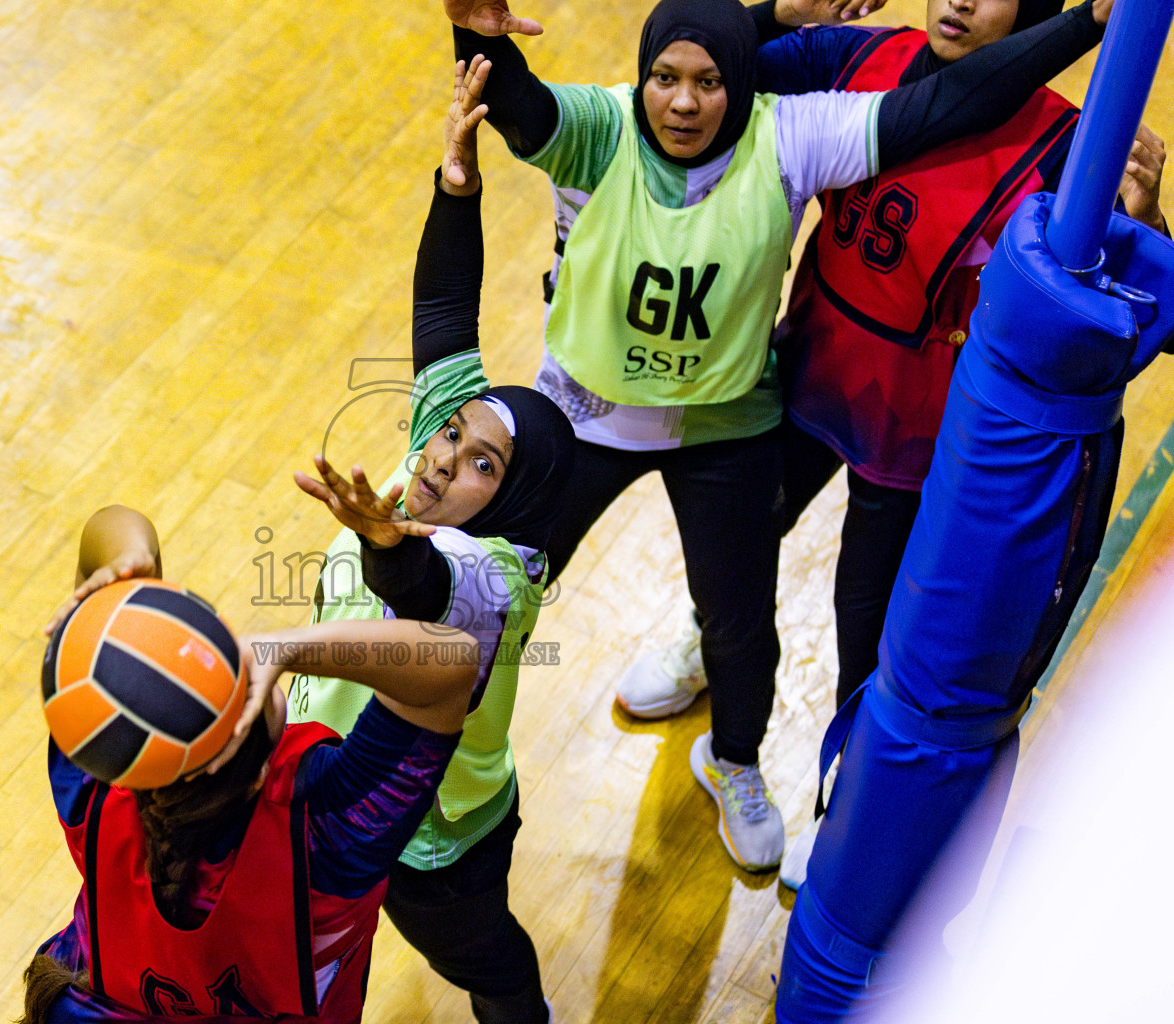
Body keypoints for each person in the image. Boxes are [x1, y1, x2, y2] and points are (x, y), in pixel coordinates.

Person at [445, 0, 1115, 872]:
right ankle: (432, 749)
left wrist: (1097, 53)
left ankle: (783, 780)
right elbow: (544, 98)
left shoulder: (806, 134)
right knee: (505, 577)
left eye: (708, 84)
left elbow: (952, 112)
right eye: (665, 79)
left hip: (816, 420)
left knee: (803, 623)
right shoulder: (616, 123)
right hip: (694, 394)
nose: (684, 102)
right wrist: (473, 30)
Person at [734, 0, 1165, 888]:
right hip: (809, 362)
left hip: (911, 431)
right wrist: (780, 8)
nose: (960, 0)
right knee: (735, 544)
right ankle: (711, 656)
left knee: (870, 632)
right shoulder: (866, 56)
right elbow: (712, 60)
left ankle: (843, 800)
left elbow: (1149, 301)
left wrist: (1144, 217)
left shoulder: (1070, 146)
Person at [284, 58, 575, 1024]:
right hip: (322, 772)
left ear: (514, 501)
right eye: (455, 433)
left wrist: (382, 542)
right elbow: (446, 313)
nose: (449, 458)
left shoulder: (496, 575)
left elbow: (421, 591)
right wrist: (457, 185)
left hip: (427, 834)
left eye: (484, 463)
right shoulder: (432, 463)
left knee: (485, 965)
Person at [21, 504, 486, 1023]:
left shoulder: (97, 777)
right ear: (261, 767)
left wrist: (131, 566)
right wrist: (284, 647)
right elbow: (452, 661)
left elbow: (108, 526)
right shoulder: (329, 832)